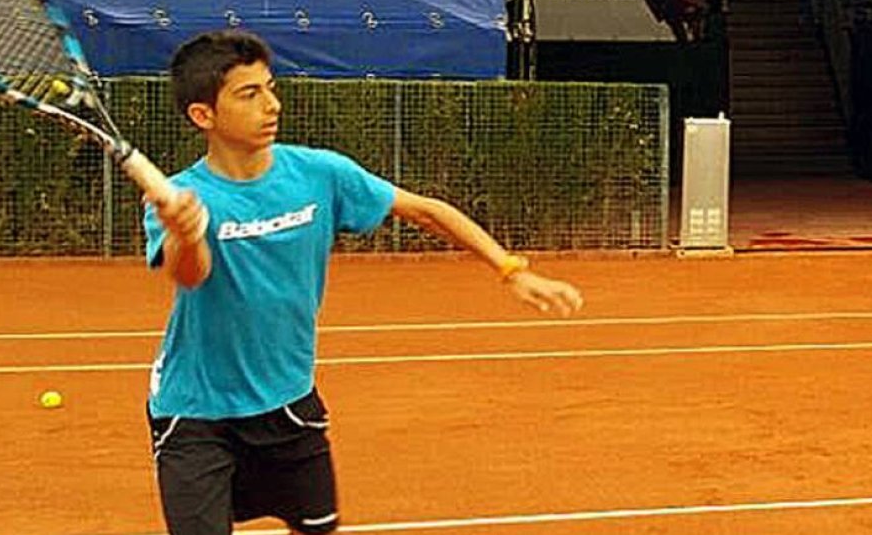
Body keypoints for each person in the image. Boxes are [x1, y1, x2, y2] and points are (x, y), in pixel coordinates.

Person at [143, 29, 584, 535]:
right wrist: (187, 232)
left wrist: (511, 270)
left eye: (270, 87)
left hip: (288, 400)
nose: (272, 105)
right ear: (204, 116)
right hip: (196, 412)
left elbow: (426, 211)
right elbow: (190, 275)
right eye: (250, 94)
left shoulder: (319, 173)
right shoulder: (181, 195)